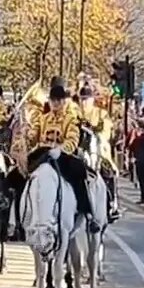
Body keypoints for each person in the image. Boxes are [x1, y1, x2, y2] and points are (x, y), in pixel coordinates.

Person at [26, 84, 99, 233]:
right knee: (19, 174)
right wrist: (27, 135)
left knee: (79, 173)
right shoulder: (43, 118)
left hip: (61, 155)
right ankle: (15, 217)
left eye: (58, 100)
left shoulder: (70, 119)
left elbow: (72, 140)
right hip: (43, 154)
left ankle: (88, 212)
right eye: (53, 100)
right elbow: (34, 135)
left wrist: (61, 150)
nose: (55, 104)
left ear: (63, 102)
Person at [77, 86, 120, 222]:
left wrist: (97, 134)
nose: (84, 102)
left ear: (92, 100)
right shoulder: (75, 113)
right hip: (78, 147)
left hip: (98, 148)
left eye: (87, 99)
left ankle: (112, 203)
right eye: (82, 99)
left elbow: (106, 130)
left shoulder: (101, 114)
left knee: (108, 172)